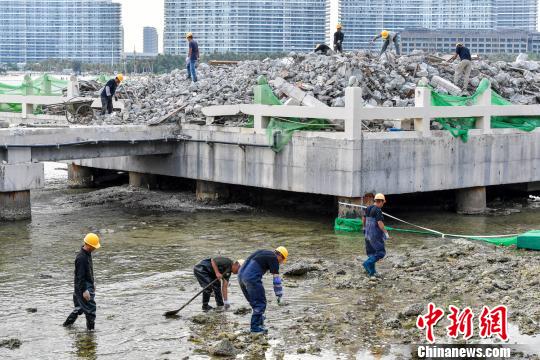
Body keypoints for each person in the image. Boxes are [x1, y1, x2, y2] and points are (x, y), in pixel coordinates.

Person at [238, 247, 288, 334]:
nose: (280, 262)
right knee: (261, 303)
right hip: (252, 278)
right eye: (281, 260)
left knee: (253, 301)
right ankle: (255, 328)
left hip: (240, 276)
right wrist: (279, 295)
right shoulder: (274, 258)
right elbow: (276, 281)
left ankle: (259, 321)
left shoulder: (262, 251)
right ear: (280, 255)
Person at [63, 233, 101, 330]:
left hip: (86, 285)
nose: (95, 248)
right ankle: (91, 333)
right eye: (94, 246)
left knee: (80, 308)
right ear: (88, 245)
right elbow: (80, 276)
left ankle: (66, 326)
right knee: (90, 311)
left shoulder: (87, 254)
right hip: (83, 287)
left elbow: (89, 270)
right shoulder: (81, 258)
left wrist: (93, 283)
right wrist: (84, 290)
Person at [362, 193, 390, 277]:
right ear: (381, 201)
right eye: (383, 202)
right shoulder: (378, 210)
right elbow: (380, 223)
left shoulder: (368, 208)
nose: (382, 204)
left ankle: (372, 272)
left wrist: (364, 228)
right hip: (375, 235)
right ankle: (367, 263)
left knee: (371, 253)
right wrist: (386, 232)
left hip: (367, 233)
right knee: (381, 252)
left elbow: (363, 218)